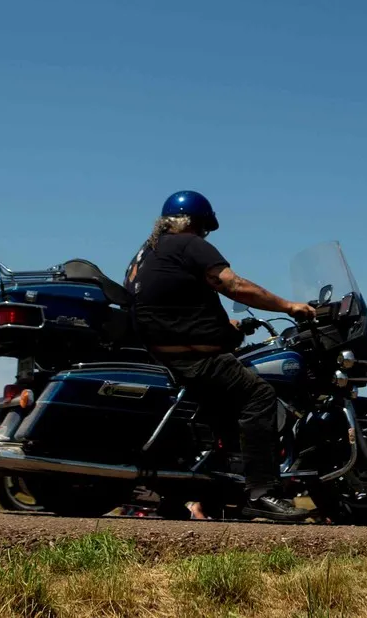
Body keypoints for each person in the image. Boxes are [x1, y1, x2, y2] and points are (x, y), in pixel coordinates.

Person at [125, 191, 316, 522]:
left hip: (161, 351)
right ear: (194, 223)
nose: (204, 235)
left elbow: (170, 301)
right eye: (203, 228)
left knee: (222, 411)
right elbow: (233, 285)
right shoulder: (188, 244)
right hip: (193, 356)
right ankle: (263, 493)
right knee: (260, 394)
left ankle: (207, 493)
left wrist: (225, 325)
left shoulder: (148, 252)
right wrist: (289, 306)